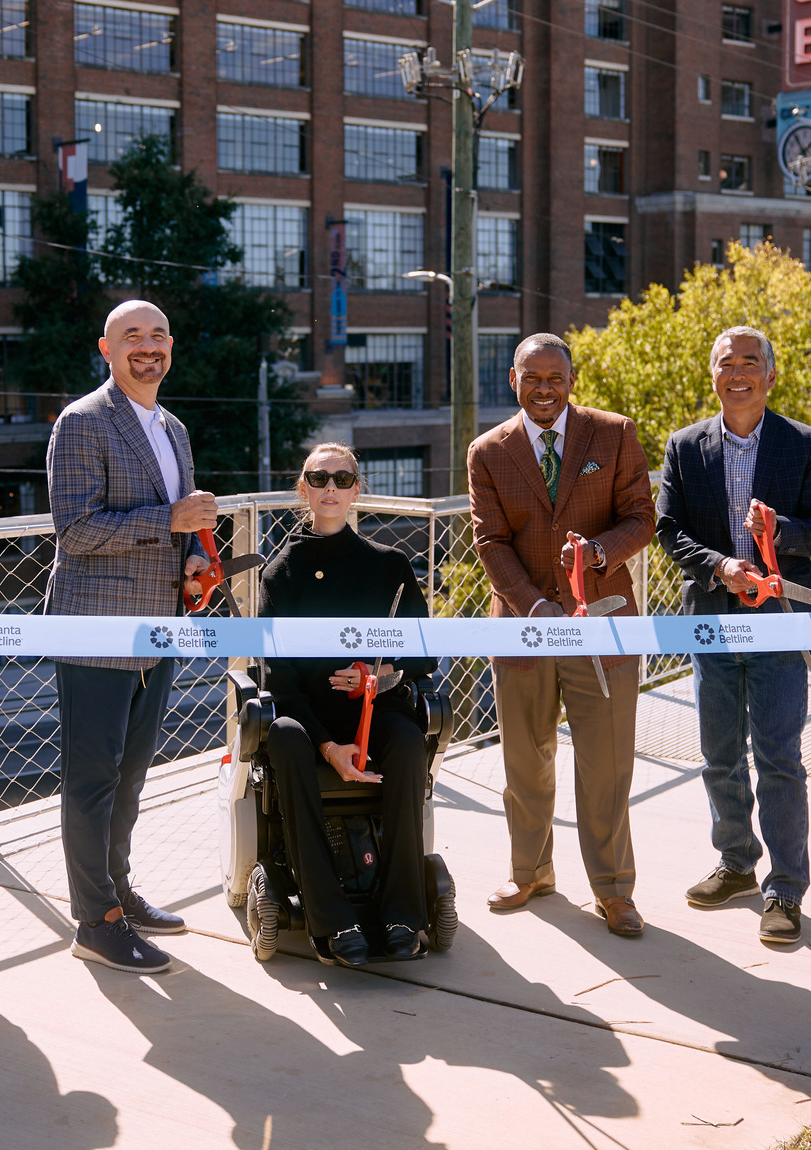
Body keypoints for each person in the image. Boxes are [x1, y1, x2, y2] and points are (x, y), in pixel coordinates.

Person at [467, 333, 656, 937]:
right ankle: (531, 873)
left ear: (572, 381)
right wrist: (533, 606)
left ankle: (614, 890)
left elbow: (641, 517)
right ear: (514, 380)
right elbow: (490, 540)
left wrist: (598, 552)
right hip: (523, 630)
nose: (544, 389)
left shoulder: (614, 433)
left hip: (603, 625)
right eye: (533, 378)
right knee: (525, 760)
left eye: (555, 378)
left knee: (607, 764)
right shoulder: (487, 452)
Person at [46, 299, 214, 975]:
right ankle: (95, 922)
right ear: (107, 349)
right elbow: (75, 531)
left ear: (171, 346)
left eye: (158, 336)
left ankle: (117, 894)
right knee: (92, 781)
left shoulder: (173, 427)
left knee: (132, 777)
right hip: (96, 628)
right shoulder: (83, 421)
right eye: (132, 336)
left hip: (159, 628)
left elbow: (180, 525)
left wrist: (193, 558)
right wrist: (168, 521)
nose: (148, 346)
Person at [655, 326, 811, 946]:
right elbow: (669, 529)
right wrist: (720, 566)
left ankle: (785, 888)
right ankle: (736, 862)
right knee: (719, 755)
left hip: (779, 622)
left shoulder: (804, 444)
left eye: (750, 363)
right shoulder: (684, 446)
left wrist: (777, 531)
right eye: (726, 363)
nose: (738, 373)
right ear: (713, 375)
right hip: (711, 617)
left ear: (770, 375)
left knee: (779, 757)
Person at [259, 443, 437, 967]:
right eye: (319, 478)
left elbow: (423, 654)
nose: (330, 488)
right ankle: (332, 918)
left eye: (342, 478)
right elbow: (277, 677)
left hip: (375, 711)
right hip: (309, 719)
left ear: (357, 489)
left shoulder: (390, 565)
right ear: (304, 489)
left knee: (407, 740)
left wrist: (379, 676)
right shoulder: (280, 572)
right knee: (284, 738)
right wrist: (327, 746)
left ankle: (402, 913)